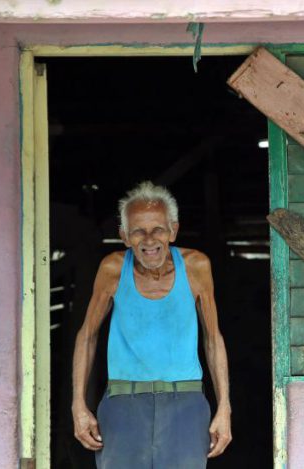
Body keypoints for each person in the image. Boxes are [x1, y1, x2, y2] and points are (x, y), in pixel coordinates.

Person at [71, 181, 232, 468]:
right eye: (138, 231)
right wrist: (78, 406)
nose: (149, 240)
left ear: (173, 230)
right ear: (124, 236)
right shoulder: (113, 269)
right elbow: (87, 336)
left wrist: (224, 409)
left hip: (186, 403)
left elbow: (212, 338)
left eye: (158, 229)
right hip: (123, 402)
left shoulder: (196, 267)